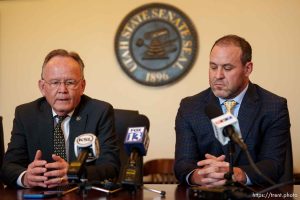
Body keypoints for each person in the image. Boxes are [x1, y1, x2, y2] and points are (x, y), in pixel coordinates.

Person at [174, 35, 291, 187]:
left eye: (227, 68)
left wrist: (237, 173)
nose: (218, 75)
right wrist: (200, 175)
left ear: (247, 69)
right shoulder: (190, 107)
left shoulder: (274, 106)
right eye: (213, 67)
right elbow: (183, 164)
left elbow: (274, 164)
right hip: (207, 195)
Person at [1, 49, 120, 188]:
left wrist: (75, 173)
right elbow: (8, 167)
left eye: (70, 82)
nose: (62, 89)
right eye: (55, 82)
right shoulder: (26, 114)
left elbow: (111, 167)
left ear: (82, 86)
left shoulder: (100, 112)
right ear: (42, 87)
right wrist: (25, 177)